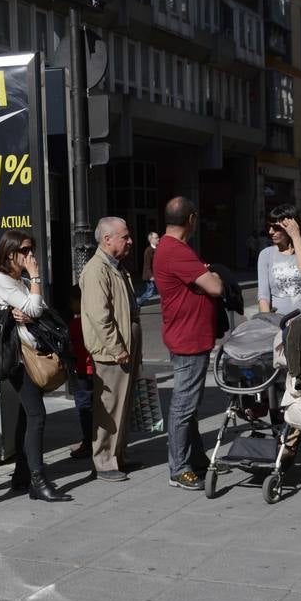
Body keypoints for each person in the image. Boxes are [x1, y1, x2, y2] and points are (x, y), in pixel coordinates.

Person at [0, 229, 72, 503]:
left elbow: (41, 309)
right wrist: (36, 278)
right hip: (18, 358)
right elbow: (36, 309)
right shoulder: (2, 280)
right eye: (24, 250)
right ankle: (38, 481)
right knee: (37, 415)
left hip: (29, 353)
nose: (30, 256)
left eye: (31, 250)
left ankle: (22, 475)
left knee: (27, 415)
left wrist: (31, 301)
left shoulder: (21, 281)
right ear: (9, 252)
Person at [155, 196, 224, 490]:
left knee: (189, 405)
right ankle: (179, 468)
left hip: (187, 336)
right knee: (183, 406)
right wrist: (213, 274)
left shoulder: (170, 249)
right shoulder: (177, 251)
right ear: (191, 219)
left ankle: (195, 458)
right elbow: (216, 287)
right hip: (188, 340)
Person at [79, 217, 141, 482]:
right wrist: (117, 348)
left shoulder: (116, 267)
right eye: (124, 236)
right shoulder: (96, 270)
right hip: (113, 352)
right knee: (110, 407)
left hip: (126, 347)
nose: (129, 241)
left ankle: (119, 455)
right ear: (107, 240)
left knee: (123, 406)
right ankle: (104, 462)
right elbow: (99, 316)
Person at [257, 205, 301, 315]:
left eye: (276, 228)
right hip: (279, 322)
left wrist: (296, 236)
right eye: (269, 226)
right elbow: (263, 296)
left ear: (291, 227)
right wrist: (267, 322)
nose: (271, 231)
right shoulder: (265, 254)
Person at [67, 286, 95, 460]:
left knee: (84, 407)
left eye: (72, 302)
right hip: (95, 369)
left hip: (81, 371)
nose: (70, 305)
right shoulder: (93, 321)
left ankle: (88, 443)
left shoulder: (74, 325)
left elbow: (70, 349)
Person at [137, 232, 159, 306]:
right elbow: (147, 265)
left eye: (158, 237)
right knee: (150, 292)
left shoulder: (158, 248)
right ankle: (138, 302)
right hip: (150, 275)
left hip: (157, 274)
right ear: (151, 240)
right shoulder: (148, 250)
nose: (158, 239)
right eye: (156, 238)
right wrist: (151, 276)